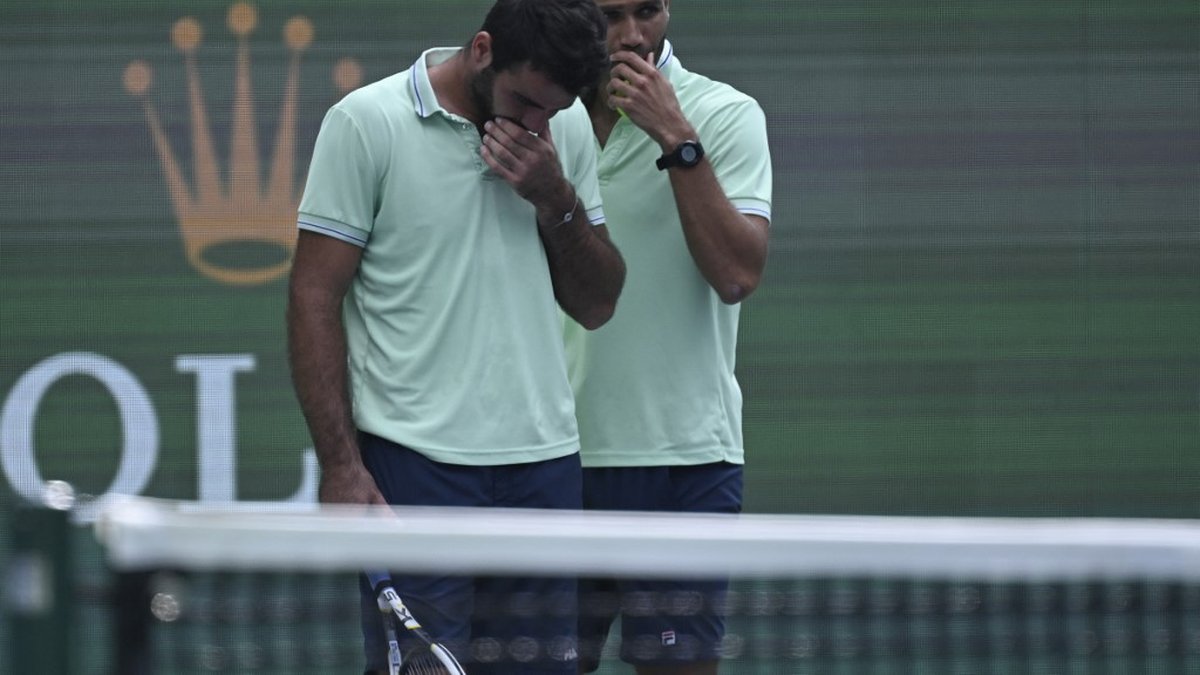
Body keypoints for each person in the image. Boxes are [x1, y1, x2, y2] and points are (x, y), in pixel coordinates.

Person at [286, 0, 625, 672]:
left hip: (544, 473)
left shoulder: (566, 135)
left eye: (550, 112)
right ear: (480, 51)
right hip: (413, 467)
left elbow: (597, 302)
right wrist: (342, 465)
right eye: (524, 100)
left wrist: (555, 197)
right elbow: (313, 295)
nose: (535, 124)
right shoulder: (366, 123)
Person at [564, 1, 772, 673]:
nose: (630, 36)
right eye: (609, 14)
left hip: (685, 464)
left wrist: (676, 137)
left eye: (646, 11)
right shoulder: (537, 118)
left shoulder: (727, 115)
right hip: (546, 462)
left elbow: (737, 272)